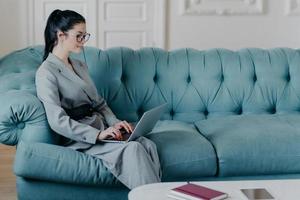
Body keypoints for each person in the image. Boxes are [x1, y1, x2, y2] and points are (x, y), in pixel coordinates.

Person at [35, 9, 161, 189]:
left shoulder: (79, 65)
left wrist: (114, 124)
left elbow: (99, 103)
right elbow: (57, 120)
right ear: (61, 35)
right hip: (79, 137)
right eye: (79, 36)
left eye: (85, 35)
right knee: (132, 149)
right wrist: (97, 135)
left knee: (145, 143)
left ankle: (156, 194)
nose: (83, 41)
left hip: (101, 126)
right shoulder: (46, 72)